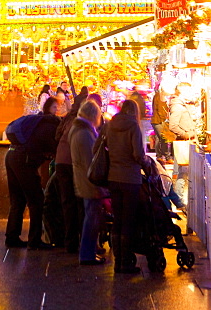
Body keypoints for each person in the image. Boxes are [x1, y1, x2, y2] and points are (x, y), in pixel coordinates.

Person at [104, 98, 159, 274]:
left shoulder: (110, 125)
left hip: (113, 177)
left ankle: (117, 261)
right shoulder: (134, 127)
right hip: (130, 178)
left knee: (117, 219)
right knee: (128, 219)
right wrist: (146, 163)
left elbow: (103, 147)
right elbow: (137, 154)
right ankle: (125, 262)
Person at [5, 96, 60, 250]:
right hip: (24, 160)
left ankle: (12, 237)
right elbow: (56, 150)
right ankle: (34, 240)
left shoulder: (37, 122)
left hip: (11, 155)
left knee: (17, 200)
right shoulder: (51, 128)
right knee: (37, 200)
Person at [69, 98, 107, 265]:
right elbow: (91, 161)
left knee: (90, 217)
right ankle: (87, 255)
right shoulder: (84, 133)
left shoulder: (80, 130)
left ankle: (89, 252)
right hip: (88, 182)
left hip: (84, 180)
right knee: (91, 219)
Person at [53, 94, 83, 253]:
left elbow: (57, 137)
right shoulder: (80, 122)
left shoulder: (67, 119)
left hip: (61, 161)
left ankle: (69, 240)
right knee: (77, 202)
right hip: (72, 163)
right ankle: (74, 241)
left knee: (67, 202)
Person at [168, 82, 199, 208]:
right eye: (188, 91)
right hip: (185, 142)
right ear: (182, 92)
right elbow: (173, 125)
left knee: (182, 170)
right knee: (183, 171)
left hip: (186, 141)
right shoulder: (178, 107)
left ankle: (180, 198)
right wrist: (186, 134)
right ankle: (179, 199)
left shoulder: (181, 105)